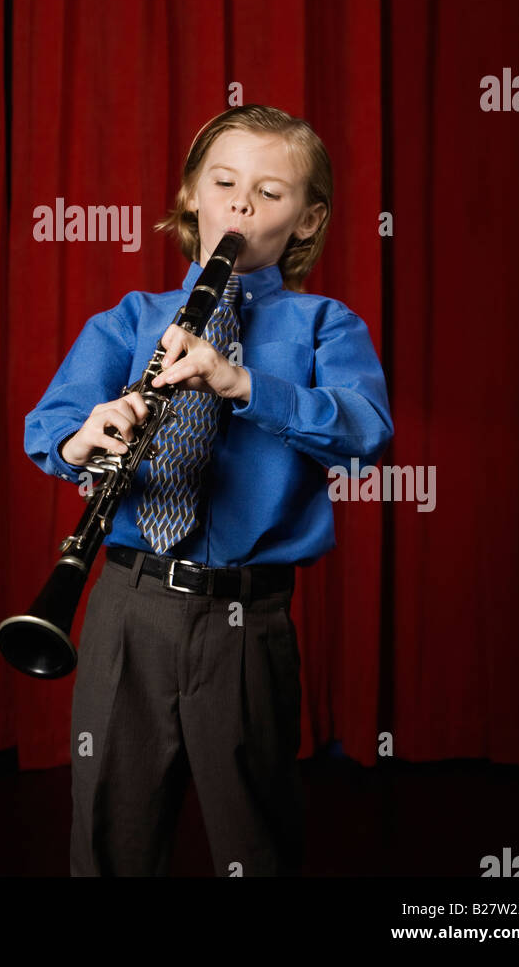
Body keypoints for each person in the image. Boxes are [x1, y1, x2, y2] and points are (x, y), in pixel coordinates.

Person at [24, 104, 394, 877]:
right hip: (127, 604)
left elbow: (366, 429)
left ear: (307, 220)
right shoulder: (130, 320)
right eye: (224, 182)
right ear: (192, 194)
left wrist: (242, 382)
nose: (242, 204)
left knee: (255, 838)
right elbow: (50, 425)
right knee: (110, 835)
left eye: (271, 191)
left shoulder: (326, 324)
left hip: (246, 617)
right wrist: (84, 436)